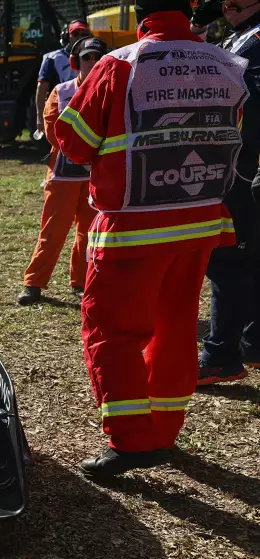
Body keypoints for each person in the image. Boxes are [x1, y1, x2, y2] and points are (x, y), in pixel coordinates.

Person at [54, 0, 247, 477]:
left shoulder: (117, 65)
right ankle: (164, 429)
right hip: (201, 221)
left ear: (141, 11)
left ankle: (134, 441)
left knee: (113, 332)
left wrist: (73, 95)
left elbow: (74, 143)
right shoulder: (226, 62)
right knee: (177, 326)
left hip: (134, 227)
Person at [193, 0, 260, 385]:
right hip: (243, 166)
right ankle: (253, 342)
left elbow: (249, 112)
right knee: (249, 255)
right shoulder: (242, 35)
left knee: (228, 261)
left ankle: (221, 356)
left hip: (241, 167)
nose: (225, 5)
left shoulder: (253, 41)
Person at [18, 37, 108, 306]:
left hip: (94, 176)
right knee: (52, 231)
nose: (92, 62)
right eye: (87, 57)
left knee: (89, 232)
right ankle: (33, 283)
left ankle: (80, 283)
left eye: (96, 57)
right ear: (75, 62)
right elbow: (53, 131)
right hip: (62, 176)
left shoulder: (110, 91)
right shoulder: (62, 91)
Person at [35, 20, 92, 136]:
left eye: (84, 35)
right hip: (60, 116)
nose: (80, 38)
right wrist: (39, 117)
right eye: (75, 35)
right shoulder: (52, 58)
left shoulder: (96, 56)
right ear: (67, 37)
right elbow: (41, 89)